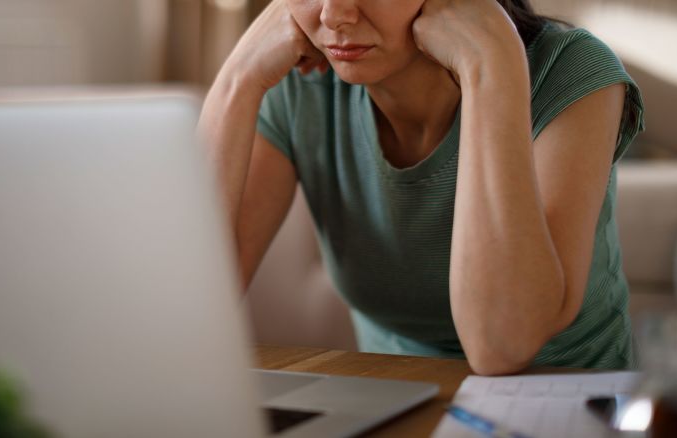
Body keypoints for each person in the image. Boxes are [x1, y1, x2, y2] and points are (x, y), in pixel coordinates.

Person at [198, 0, 644, 375]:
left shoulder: (570, 70)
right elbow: (183, 311)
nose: (335, 14)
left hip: (568, 408)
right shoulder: (302, 85)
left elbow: (503, 344)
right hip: (396, 408)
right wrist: (237, 80)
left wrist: (490, 67)